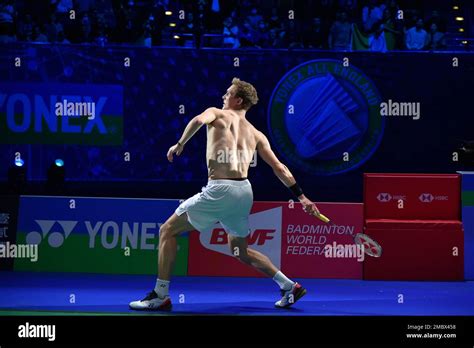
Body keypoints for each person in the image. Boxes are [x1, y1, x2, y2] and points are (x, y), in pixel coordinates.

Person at [129, 78, 320, 311]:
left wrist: (180, 144)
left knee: (167, 230)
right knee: (240, 250)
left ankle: (160, 295)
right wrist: (301, 197)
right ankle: (289, 285)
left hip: (220, 189)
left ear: (238, 100)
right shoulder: (256, 134)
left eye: (228, 93)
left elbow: (198, 120)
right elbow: (280, 168)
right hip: (244, 191)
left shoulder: (216, 113)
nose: (223, 97)